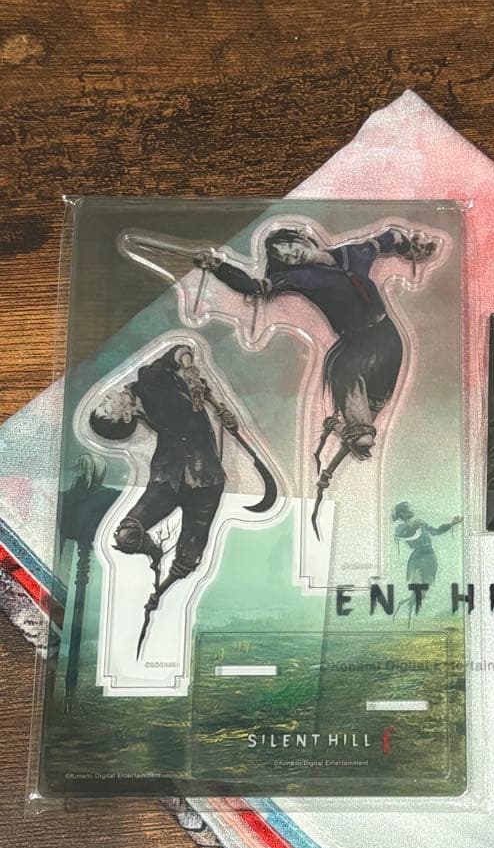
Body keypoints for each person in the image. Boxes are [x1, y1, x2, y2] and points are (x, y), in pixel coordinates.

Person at [196, 224, 438, 535]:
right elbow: (253, 287)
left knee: (374, 409)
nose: (292, 256)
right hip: (354, 348)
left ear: (303, 237)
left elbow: (388, 238)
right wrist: (217, 266)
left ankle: (343, 431)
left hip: (389, 341)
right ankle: (348, 433)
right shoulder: (300, 277)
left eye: (291, 247)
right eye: (285, 257)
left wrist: (413, 250)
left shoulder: (353, 255)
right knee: (358, 420)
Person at [89, 343, 237, 654]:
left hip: (207, 480)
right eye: (108, 406)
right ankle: (156, 556)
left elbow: (180, 349)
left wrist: (190, 370)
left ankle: (160, 597)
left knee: (188, 558)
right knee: (126, 535)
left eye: (104, 402)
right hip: (167, 479)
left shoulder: (149, 378)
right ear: (125, 416)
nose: (108, 398)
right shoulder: (143, 403)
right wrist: (152, 550)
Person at [391, 501, 461, 621]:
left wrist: (452, 523)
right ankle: (408, 617)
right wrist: (412, 527)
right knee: (418, 590)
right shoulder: (400, 527)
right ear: (401, 513)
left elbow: (435, 532)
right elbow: (402, 535)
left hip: (430, 556)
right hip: (417, 558)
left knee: (423, 592)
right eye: (408, 510)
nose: (412, 511)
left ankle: (405, 607)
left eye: (411, 509)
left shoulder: (421, 522)